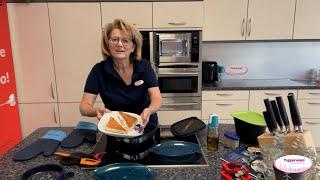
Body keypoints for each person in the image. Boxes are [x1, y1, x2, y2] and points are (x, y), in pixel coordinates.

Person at [79, 19, 162, 127]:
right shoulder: (98, 70)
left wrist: (149, 110)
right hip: (116, 128)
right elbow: (84, 107)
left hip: (145, 126)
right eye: (114, 39)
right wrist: (96, 111)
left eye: (125, 40)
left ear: (133, 47)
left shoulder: (144, 66)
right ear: (107, 44)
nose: (119, 44)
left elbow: (157, 98)